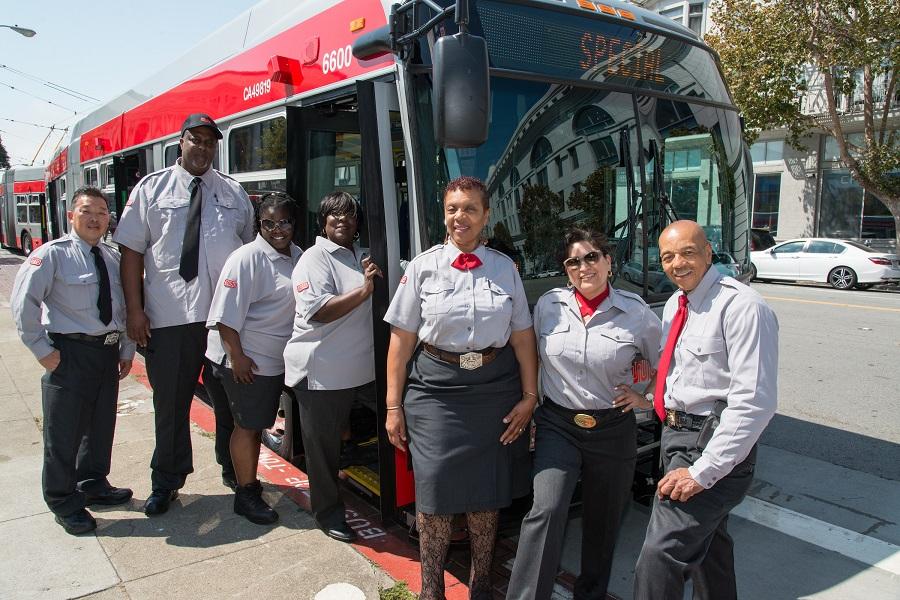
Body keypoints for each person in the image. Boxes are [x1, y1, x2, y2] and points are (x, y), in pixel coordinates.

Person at [384, 176, 538, 600]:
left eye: (470, 208)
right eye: (453, 208)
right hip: (435, 389)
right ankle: (430, 589)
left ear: (486, 216)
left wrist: (530, 396)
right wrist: (392, 406)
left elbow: (523, 337)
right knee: (433, 490)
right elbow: (401, 341)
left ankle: (481, 583)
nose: (460, 217)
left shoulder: (505, 267)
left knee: (485, 494)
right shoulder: (422, 267)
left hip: (493, 388)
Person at [507, 228, 662, 599]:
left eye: (592, 256)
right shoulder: (548, 305)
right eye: (573, 261)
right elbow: (533, 359)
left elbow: (667, 364)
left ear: (609, 261)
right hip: (558, 425)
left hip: (613, 430)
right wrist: (532, 404)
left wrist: (648, 398)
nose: (583, 266)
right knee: (546, 508)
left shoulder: (636, 314)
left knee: (603, 522)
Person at [113, 113, 255, 516]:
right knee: (171, 406)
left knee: (230, 405)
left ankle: (236, 476)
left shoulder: (232, 192)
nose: (203, 148)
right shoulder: (151, 189)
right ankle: (167, 481)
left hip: (223, 321)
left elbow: (248, 256)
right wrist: (135, 310)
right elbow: (131, 254)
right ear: (181, 141)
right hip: (169, 318)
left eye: (210, 142)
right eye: (196, 139)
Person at [633, 220, 778, 600]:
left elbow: (754, 402)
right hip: (676, 438)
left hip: (709, 446)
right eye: (667, 256)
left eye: (687, 252)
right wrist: (650, 400)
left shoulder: (742, 306)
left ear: (709, 253)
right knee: (709, 549)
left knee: (660, 554)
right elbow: (683, 377)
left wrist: (703, 472)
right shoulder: (675, 304)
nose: (677, 264)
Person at [11, 187, 135, 535]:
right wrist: (42, 351)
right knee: (63, 435)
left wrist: (126, 351)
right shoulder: (52, 255)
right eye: (86, 211)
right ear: (71, 215)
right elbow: (24, 305)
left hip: (106, 353)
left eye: (101, 211)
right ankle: (63, 501)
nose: (95, 218)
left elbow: (121, 308)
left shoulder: (111, 257)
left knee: (99, 427)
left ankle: (93, 483)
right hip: (70, 354)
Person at [284, 191, 382, 542]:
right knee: (323, 453)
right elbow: (319, 311)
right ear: (323, 222)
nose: (342, 220)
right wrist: (365, 290)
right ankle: (328, 515)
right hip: (321, 372)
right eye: (334, 215)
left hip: (363, 368)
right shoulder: (313, 258)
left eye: (349, 215)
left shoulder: (364, 253)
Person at [204, 193, 302, 524]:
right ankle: (246, 494)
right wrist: (237, 358)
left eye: (284, 222)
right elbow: (224, 318)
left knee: (253, 424)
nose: (277, 229)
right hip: (247, 362)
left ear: (294, 222)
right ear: (259, 224)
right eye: (268, 223)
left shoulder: (298, 256)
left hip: (273, 362)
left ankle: (242, 480)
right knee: (247, 428)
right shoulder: (246, 258)